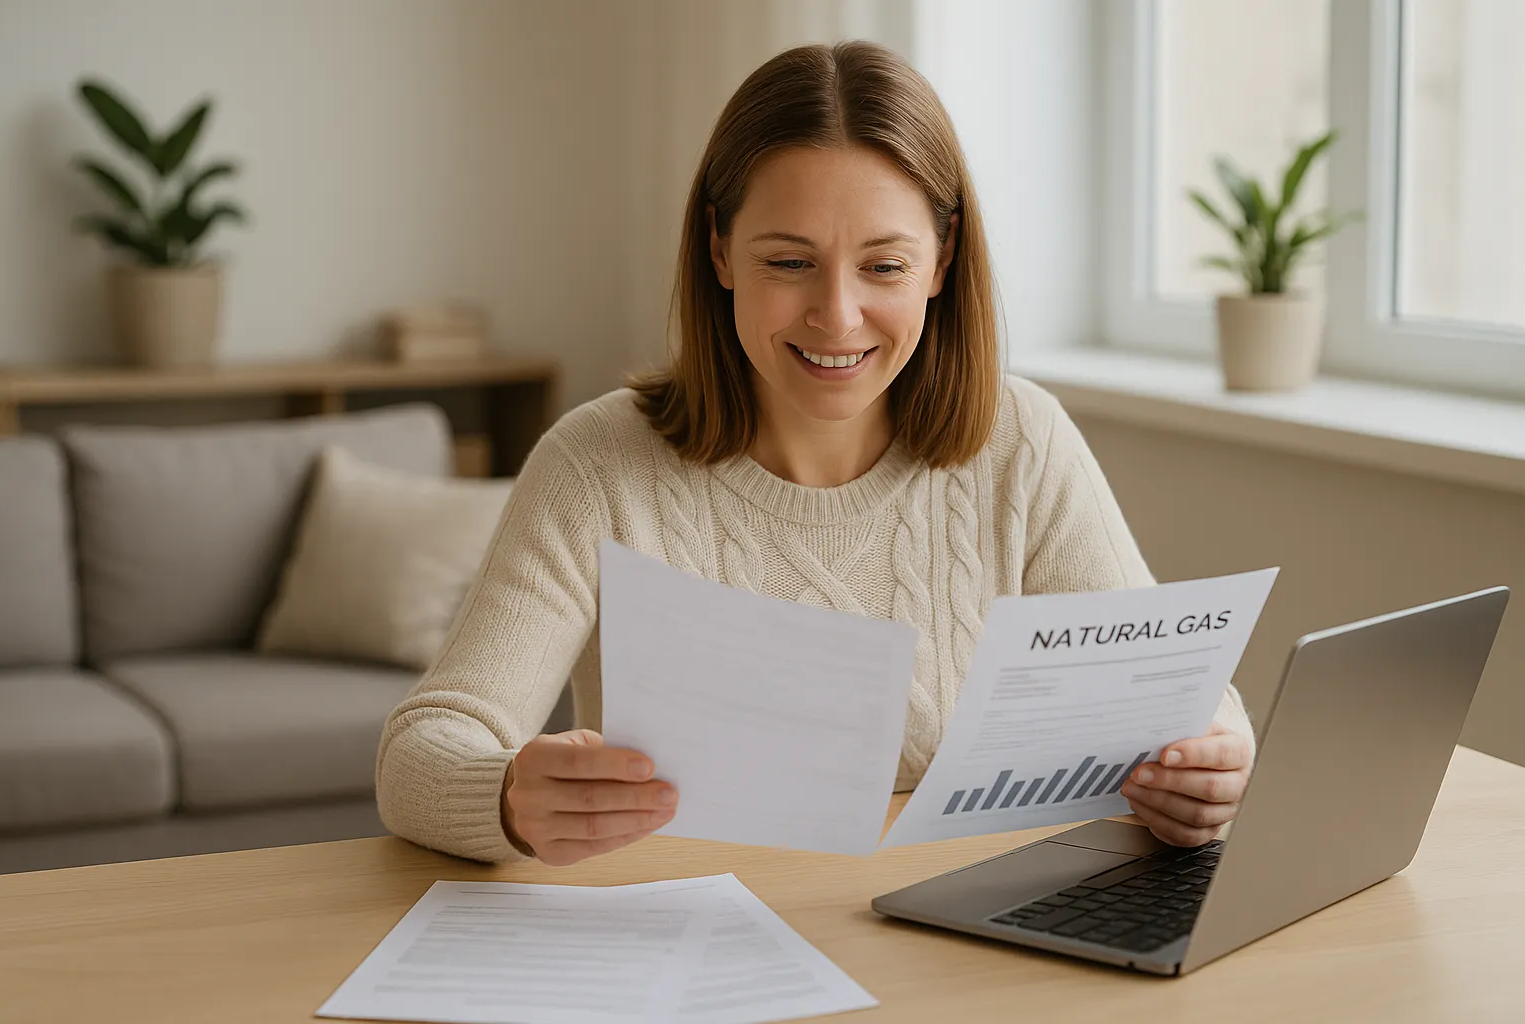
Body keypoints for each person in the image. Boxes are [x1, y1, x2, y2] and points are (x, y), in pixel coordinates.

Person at [376, 41, 1255, 867]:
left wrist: (1212, 757)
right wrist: (505, 798)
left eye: (884, 267)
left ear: (942, 260)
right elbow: (421, 752)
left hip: (953, 954)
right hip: (691, 942)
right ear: (720, 250)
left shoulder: (1020, 439)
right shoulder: (597, 465)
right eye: (790, 262)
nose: (836, 317)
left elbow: (1177, 692)